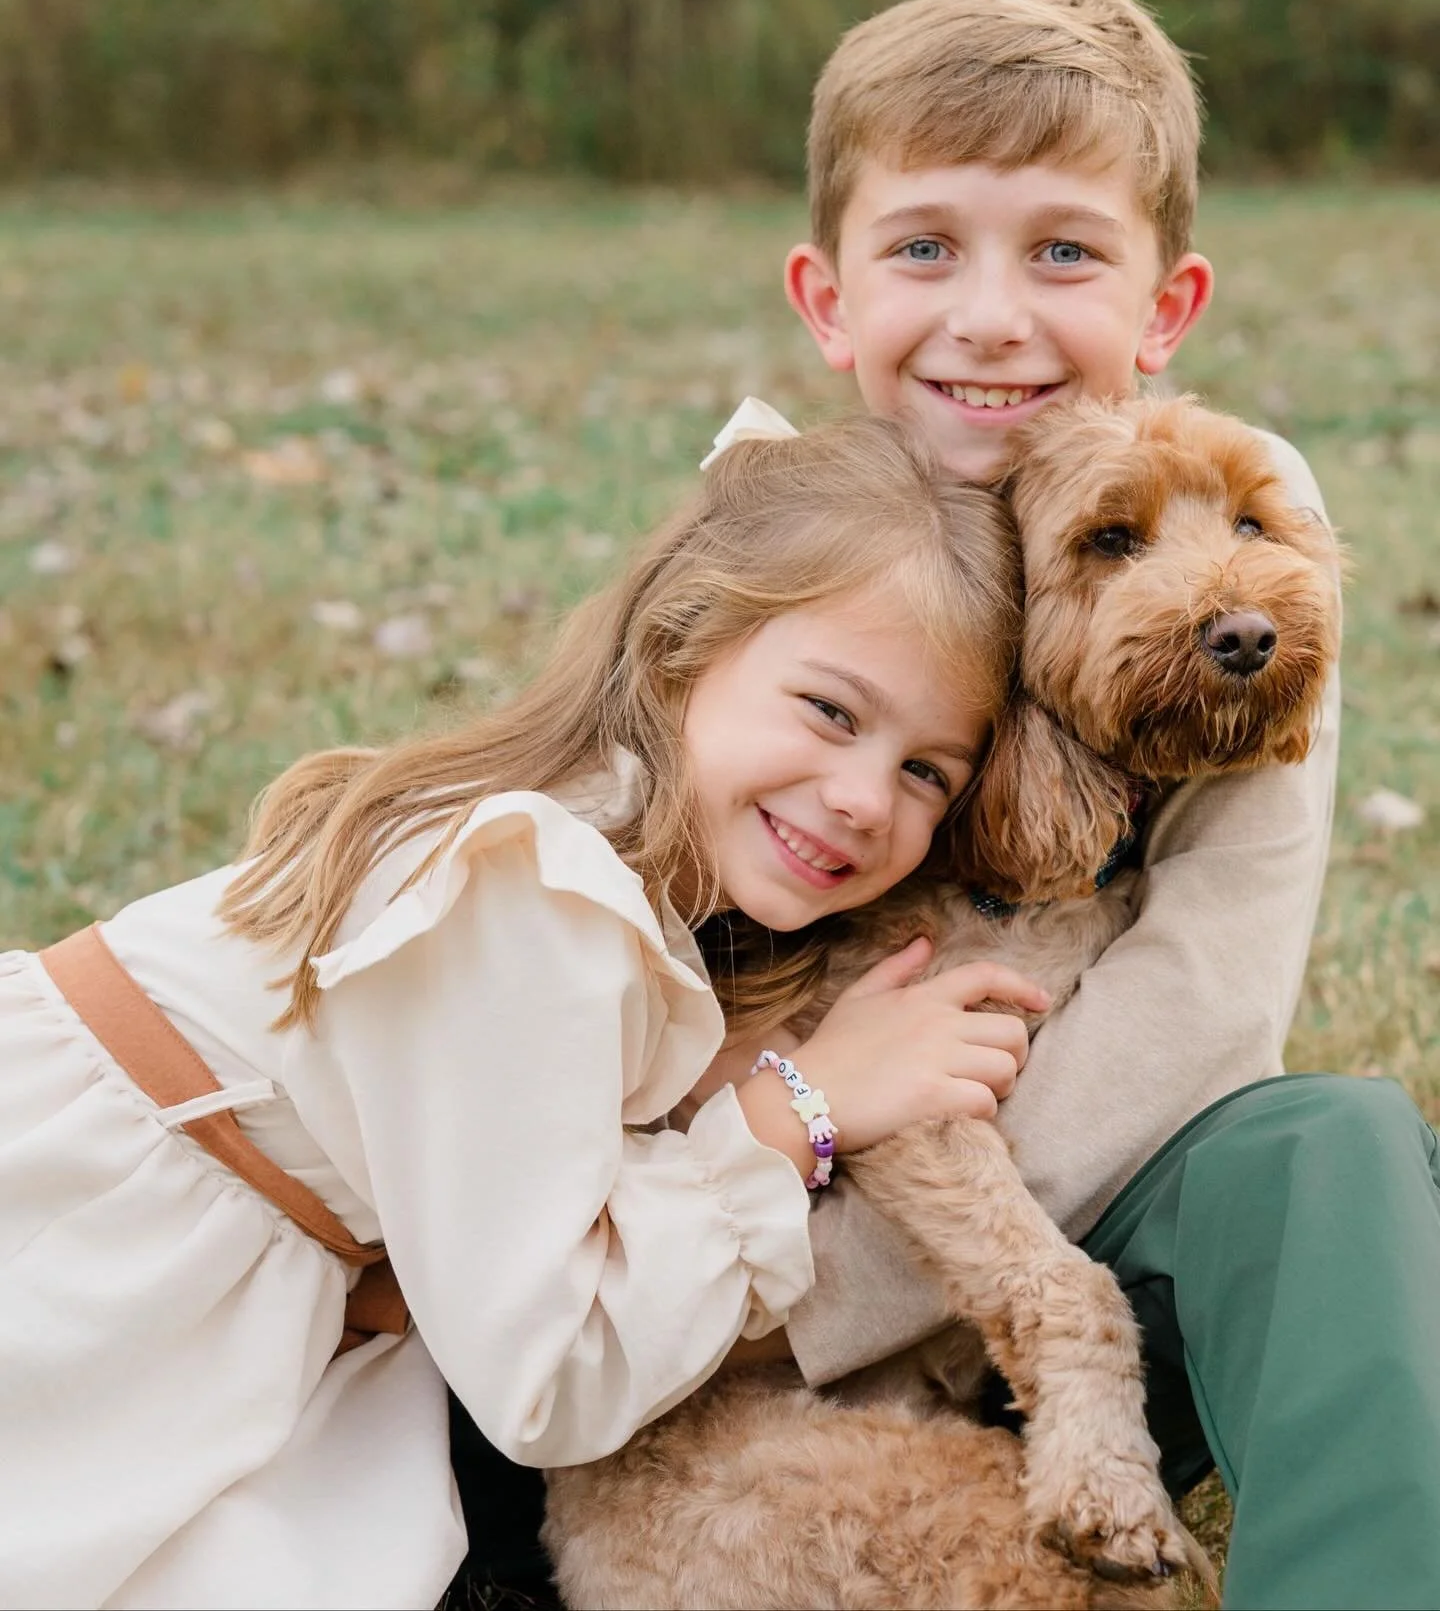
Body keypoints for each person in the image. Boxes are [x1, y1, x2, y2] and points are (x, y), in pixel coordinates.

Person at [0, 417, 1053, 1611]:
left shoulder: (614, 865)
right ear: (678, 650)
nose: (867, 797)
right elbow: (548, 1379)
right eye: (829, 710)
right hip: (73, 1256)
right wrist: (800, 1108)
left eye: (928, 772)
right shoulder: (535, 895)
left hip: (228, 1280)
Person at [769, 0, 1437, 1610]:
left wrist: (984, 1288)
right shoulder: (762, 566)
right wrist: (704, 1275)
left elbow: (1204, 1014)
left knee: (1339, 1151)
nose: (992, 316)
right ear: (830, 296)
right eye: (926, 248)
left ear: (1164, 307)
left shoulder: (1242, 533)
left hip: (1063, 1241)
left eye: (1062, 252)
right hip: (739, 1277)